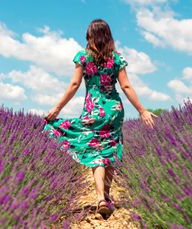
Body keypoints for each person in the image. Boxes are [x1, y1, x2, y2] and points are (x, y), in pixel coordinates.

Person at [41, 19, 157, 216]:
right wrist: (142, 110)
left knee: (96, 154)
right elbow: (126, 86)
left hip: (93, 110)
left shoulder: (83, 57)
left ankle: (101, 198)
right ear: (108, 36)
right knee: (110, 151)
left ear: (90, 36)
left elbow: (74, 85)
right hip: (113, 111)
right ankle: (107, 197)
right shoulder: (117, 58)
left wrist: (57, 108)